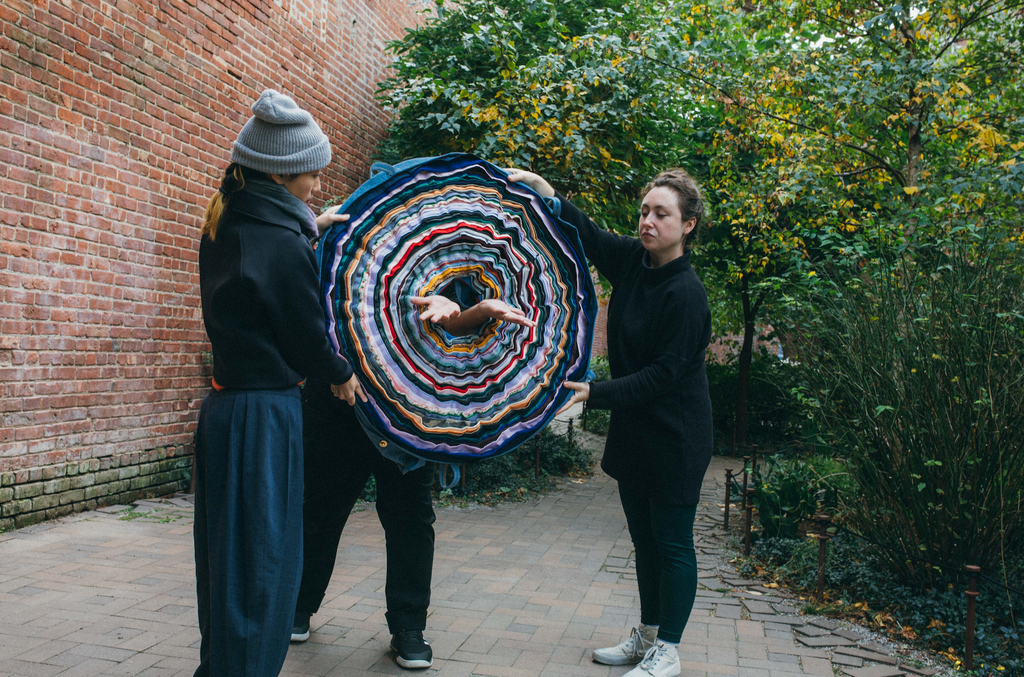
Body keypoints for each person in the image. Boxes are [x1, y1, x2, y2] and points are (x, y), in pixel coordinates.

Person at [291, 235, 534, 669]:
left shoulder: (475, 255)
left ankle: (408, 627)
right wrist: (330, 365)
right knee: (321, 509)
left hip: (412, 414)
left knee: (411, 521)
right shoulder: (366, 234)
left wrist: (469, 312)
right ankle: (298, 608)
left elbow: (467, 335)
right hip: (344, 401)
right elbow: (324, 303)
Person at [507, 168, 713, 677]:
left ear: (687, 225)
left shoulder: (686, 294)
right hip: (636, 431)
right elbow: (591, 237)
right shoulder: (634, 262)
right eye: (644, 211)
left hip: (676, 435)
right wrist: (549, 193)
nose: (648, 221)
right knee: (643, 541)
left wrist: (596, 393)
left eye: (661, 214)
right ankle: (646, 637)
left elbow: (664, 375)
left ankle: (670, 648)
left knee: (671, 542)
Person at [194, 89, 364, 677]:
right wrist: (340, 375)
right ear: (279, 173)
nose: (317, 184)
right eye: (311, 174)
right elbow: (303, 333)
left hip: (225, 410)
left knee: (227, 564)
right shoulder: (282, 244)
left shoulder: (226, 221)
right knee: (265, 565)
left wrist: (308, 229)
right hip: (265, 417)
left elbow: (258, 280)